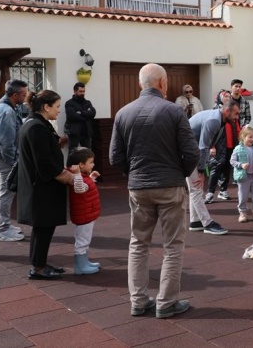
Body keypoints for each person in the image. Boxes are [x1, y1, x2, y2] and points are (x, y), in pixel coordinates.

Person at [110, 63, 199, 319]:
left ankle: (138, 301)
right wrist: (177, 172)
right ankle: (166, 302)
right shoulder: (173, 111)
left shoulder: (123, 113)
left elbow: (115, 156)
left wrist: (133, 173)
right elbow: (191, 152)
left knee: (138, 244)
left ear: (141, 84)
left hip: (139, 185)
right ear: (162, 83)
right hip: (170, 186)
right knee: (173, 246)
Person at [17, 90, 75, 280]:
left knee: (43, 229)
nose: (59, 110)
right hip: (42, 189)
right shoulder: (36, 127)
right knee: (42, 229)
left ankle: (40, 263)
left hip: (40, 187)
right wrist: (67, 176)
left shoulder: (37, 124)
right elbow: (44, 162)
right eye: (57, 106)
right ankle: (38, 267)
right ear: (46, 107)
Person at [0, 79, 29, 243]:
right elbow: (6, 143)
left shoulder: (0, 107)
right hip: (5, 160)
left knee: (6, 191)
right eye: (23, 95)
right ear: (15, 94)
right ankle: (2, 229)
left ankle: (5, 226)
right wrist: (14, 163)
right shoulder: (7, 111)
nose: (25, 98)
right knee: (6, 191)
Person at [186, 103, 238, 235]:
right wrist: (202, 171)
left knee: (195, 188)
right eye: (235, 114)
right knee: (196, 187)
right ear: (227, 111)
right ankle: (207, 223)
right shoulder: (214, 120)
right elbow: (203, 147)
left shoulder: (219, 119)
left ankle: (195, 221)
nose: (237, 117)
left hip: (189, 151)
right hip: (186, 153)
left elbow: (206, 144)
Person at [66, 147, 101, 275]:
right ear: (81, 164)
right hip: (84, 216)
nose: (93, 164)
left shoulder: (82, 177)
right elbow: (80, 189)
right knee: (82, 241)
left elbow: (85, 186)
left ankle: (84, 262)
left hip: (87, 214)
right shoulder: (77, 178)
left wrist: (91, 177)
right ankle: (80, 266)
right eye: (91, 162)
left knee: (85, 240)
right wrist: (77, 175)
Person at [207, 90, 240, 202]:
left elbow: (236, 125)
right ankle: (210, 193)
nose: (228, 97)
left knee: (227, 168)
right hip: (219, 144)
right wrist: (212, 146)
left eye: (229, 96)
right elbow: (211, 132)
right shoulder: (215, 111)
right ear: (220, 98)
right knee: (216, 167)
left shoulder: (232, 111)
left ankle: (223, 190)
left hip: (231, 144)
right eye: (225, 96)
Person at [230, 126, 253, 223]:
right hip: (243, 177)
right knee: (243, 196)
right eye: (250, 137)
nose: (252, 139)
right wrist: (241, 165)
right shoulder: (238, 148)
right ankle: (242, 212)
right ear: (243, 137)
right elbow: (232, 161)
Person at [64, 82, 96, 157]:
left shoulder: (88, 103)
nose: (82, 93)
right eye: (80, 91)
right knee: (72, 153)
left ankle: (87, 169)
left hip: (86, 132)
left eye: (84, 91)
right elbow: (72, 116)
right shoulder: (69, 103)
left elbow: (92, 113)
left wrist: (80, 112)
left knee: (88, 153)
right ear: (75, 91)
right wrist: (86, 114)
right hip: (74, 132)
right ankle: (70, 168)